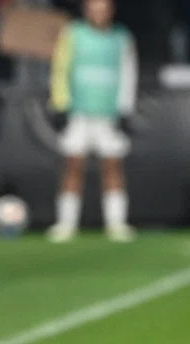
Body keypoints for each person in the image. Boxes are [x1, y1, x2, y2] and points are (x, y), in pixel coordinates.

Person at [48, 0, 137, 243]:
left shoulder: (122, 38)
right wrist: (60, 105)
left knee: (112, 166)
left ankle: (117, 223)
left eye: (103, 8)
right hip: (78, 112)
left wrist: (125, 110)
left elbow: (128, 72)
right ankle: (66, 224)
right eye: (94, 8)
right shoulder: (73, 34)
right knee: (73, 165)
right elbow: (61, 68)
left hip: (108, 114)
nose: (98, 13)